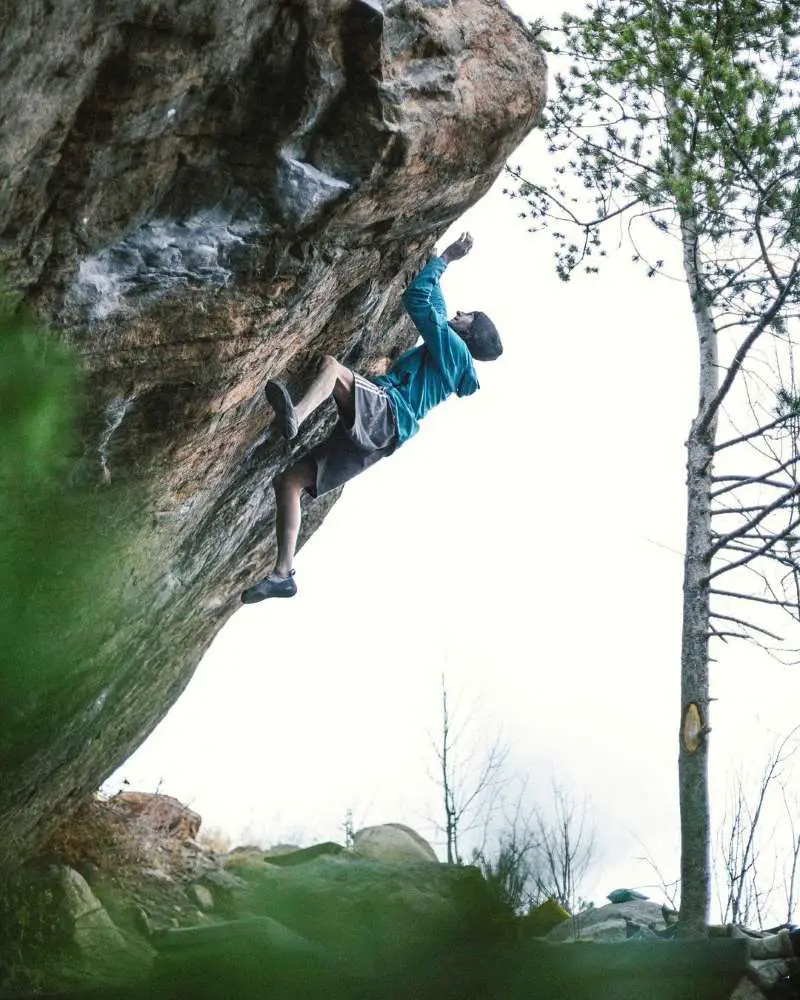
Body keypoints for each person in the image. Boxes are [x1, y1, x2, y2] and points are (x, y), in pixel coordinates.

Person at [241, 232, 502, 603]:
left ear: (470, 332)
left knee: (332, 369)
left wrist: (445, 258)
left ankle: (295, 417)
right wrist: (439, 265)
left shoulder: (456, 350)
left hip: (388, 412)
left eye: (468, 315)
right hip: (384, 439)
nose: (460, 313)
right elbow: (438, 311)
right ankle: (284, 573)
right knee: (289, 483)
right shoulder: (450, 356)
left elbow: (417, 301)